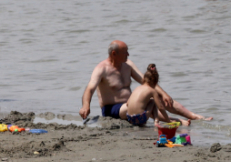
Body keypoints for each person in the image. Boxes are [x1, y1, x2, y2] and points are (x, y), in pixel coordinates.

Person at [79, 40, 207, 123]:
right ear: (114, 54)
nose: (128, 54)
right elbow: (89, 89)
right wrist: (86, 106)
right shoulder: (101, 69)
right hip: (112, 109)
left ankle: (193, 116)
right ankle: (175, 121)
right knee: (149, 102)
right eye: (125, 52)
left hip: (131, 105)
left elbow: (146, 82)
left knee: (160, 99)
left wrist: (164, 94)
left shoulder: (127, 65)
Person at [124, 64, 195, 127]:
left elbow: (127, 104)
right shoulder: (152, 90)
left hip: (130, 118)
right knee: (153, 101)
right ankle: (156, 121)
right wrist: (168, 120)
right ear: (155, 82)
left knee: (149, 102)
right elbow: (160, 107)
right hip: (139, 119)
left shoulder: (137, 88)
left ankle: (156, 121)